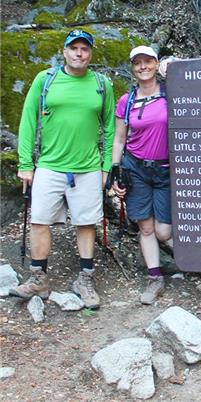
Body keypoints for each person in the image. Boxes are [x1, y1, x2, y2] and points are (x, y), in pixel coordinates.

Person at [11, 30, 115, 309]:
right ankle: (38, 278)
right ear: (64, 51)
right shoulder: (45, 80)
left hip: (88, 166)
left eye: (84, 49)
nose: (79, 53)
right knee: (40, 220)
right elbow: (28, 122)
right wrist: (25, 164)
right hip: (49, 165)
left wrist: (106, 167)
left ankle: (85, 278)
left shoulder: (102, 84)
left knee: (86, 222)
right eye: (74, 48)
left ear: (90, 53)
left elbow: (109, 127)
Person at [110, 46, 172, 305]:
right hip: (136, 168)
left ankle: (200, 258)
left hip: (167, 170)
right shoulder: (126, 101)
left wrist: (176, 65)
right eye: (138, 62)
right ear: (132, 68)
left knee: (163, 231)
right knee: (145, 227)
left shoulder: (173, 94)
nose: (143, 66)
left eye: (149, 61)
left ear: (157, 65)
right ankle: (155, 277)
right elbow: (119, 139)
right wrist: (115, 169)